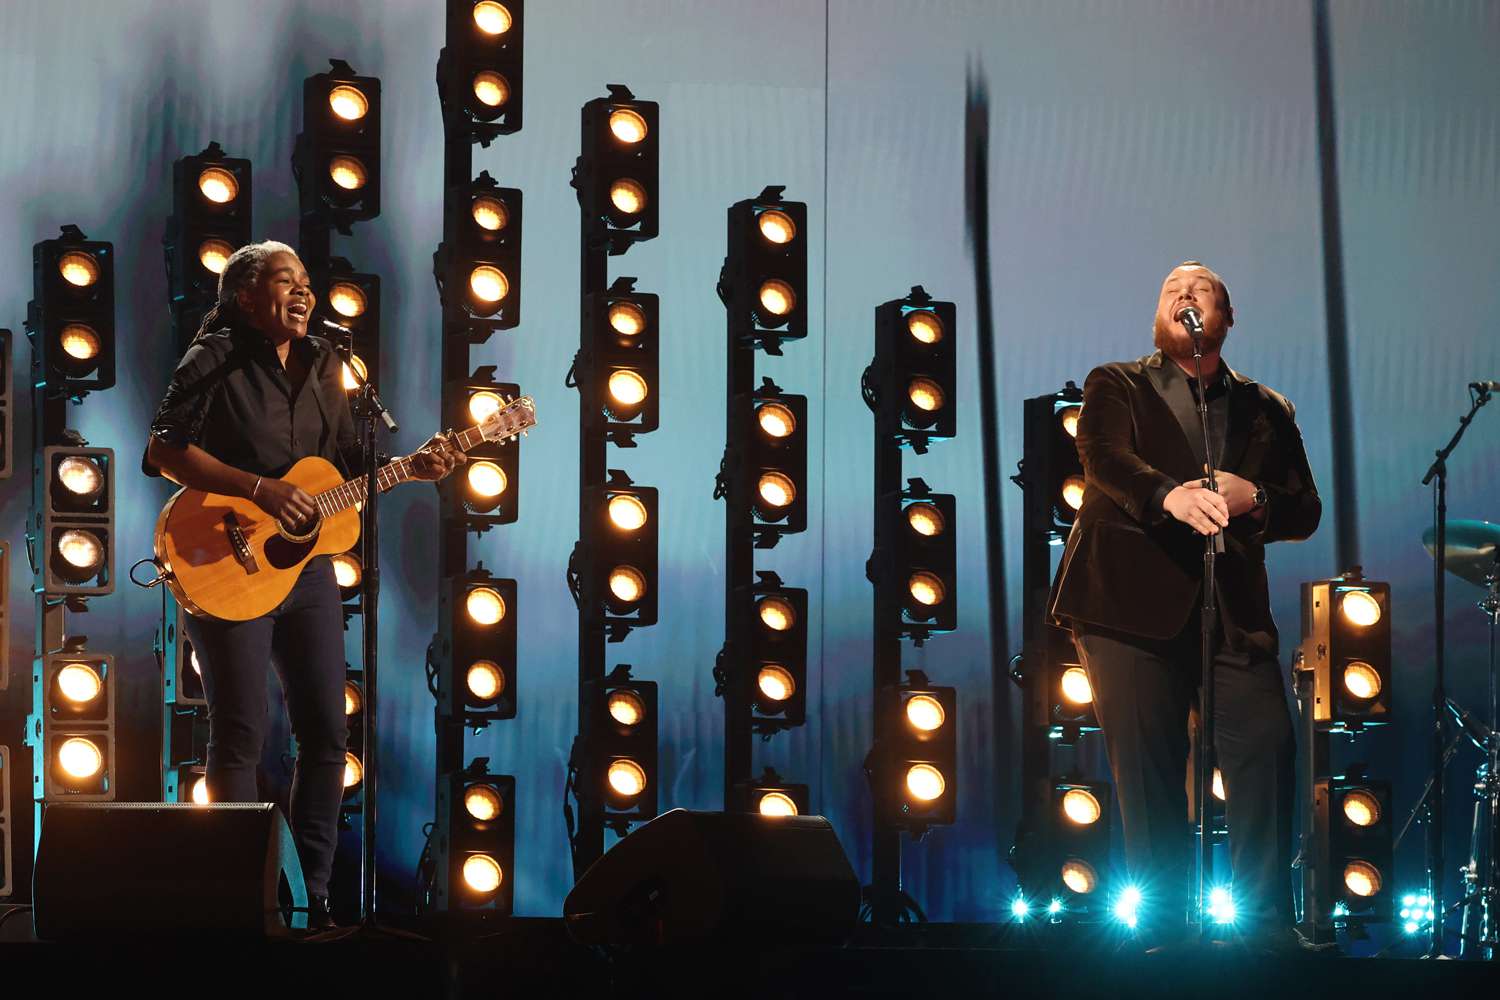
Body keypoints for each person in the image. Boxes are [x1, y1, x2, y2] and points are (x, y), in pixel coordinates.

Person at [143, 241, 465, 928]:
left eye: (306, 282)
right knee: (241, 736)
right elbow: (163, 449)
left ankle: (308, 895)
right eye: (284, 281)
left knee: (327, 732)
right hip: (220, 557)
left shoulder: (328, 364)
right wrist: (257, 488)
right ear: (243, 298)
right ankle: (239, 893)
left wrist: (413, 467)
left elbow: (347, 466)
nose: (303, 293)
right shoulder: (215, 356)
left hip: (307, 571)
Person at [1049, 261, 1322, 951]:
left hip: (1230, 608)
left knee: (1267, 746)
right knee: (1150, 774)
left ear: (1226, 319)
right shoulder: (1118, 383)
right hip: (1125, 609)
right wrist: (1167, 494)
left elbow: (1305, 507)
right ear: (1159, 318)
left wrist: (1252, 497)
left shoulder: (1265, 407)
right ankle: (1164, 936)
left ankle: (1263, 929)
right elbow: (1102, 458)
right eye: (1173, 290)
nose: (1186, 296)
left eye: (1201, 290)